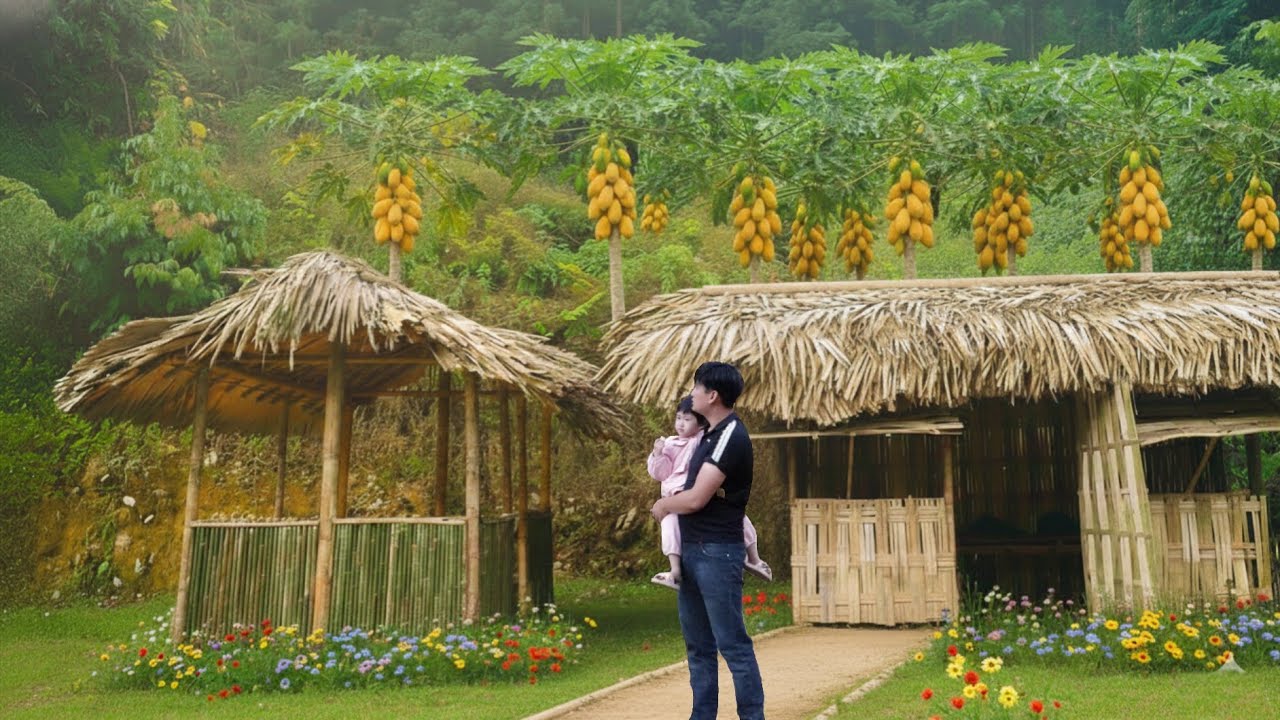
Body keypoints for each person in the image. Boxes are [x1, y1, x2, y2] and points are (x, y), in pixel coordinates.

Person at [651, 361, 765, 720]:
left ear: (711, 395)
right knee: (698, 648)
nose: (693, 393)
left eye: (697, 388)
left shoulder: (730, 436)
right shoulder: (707, 436)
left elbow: (697, 497)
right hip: (691, 550)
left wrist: (662, 505)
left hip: (717, 552)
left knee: (732, 645)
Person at [648, 396, 772, 590]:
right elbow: (660, 473)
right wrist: (658, 454)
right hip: (675, 500)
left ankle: (754, 558)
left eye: (687, 419)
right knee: (669, 526)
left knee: (738, 518)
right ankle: (675, 571)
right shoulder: (670, 445)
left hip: (703, 496)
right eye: (678, 418)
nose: (680, 424)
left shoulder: (704, 440)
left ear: (700, 424)